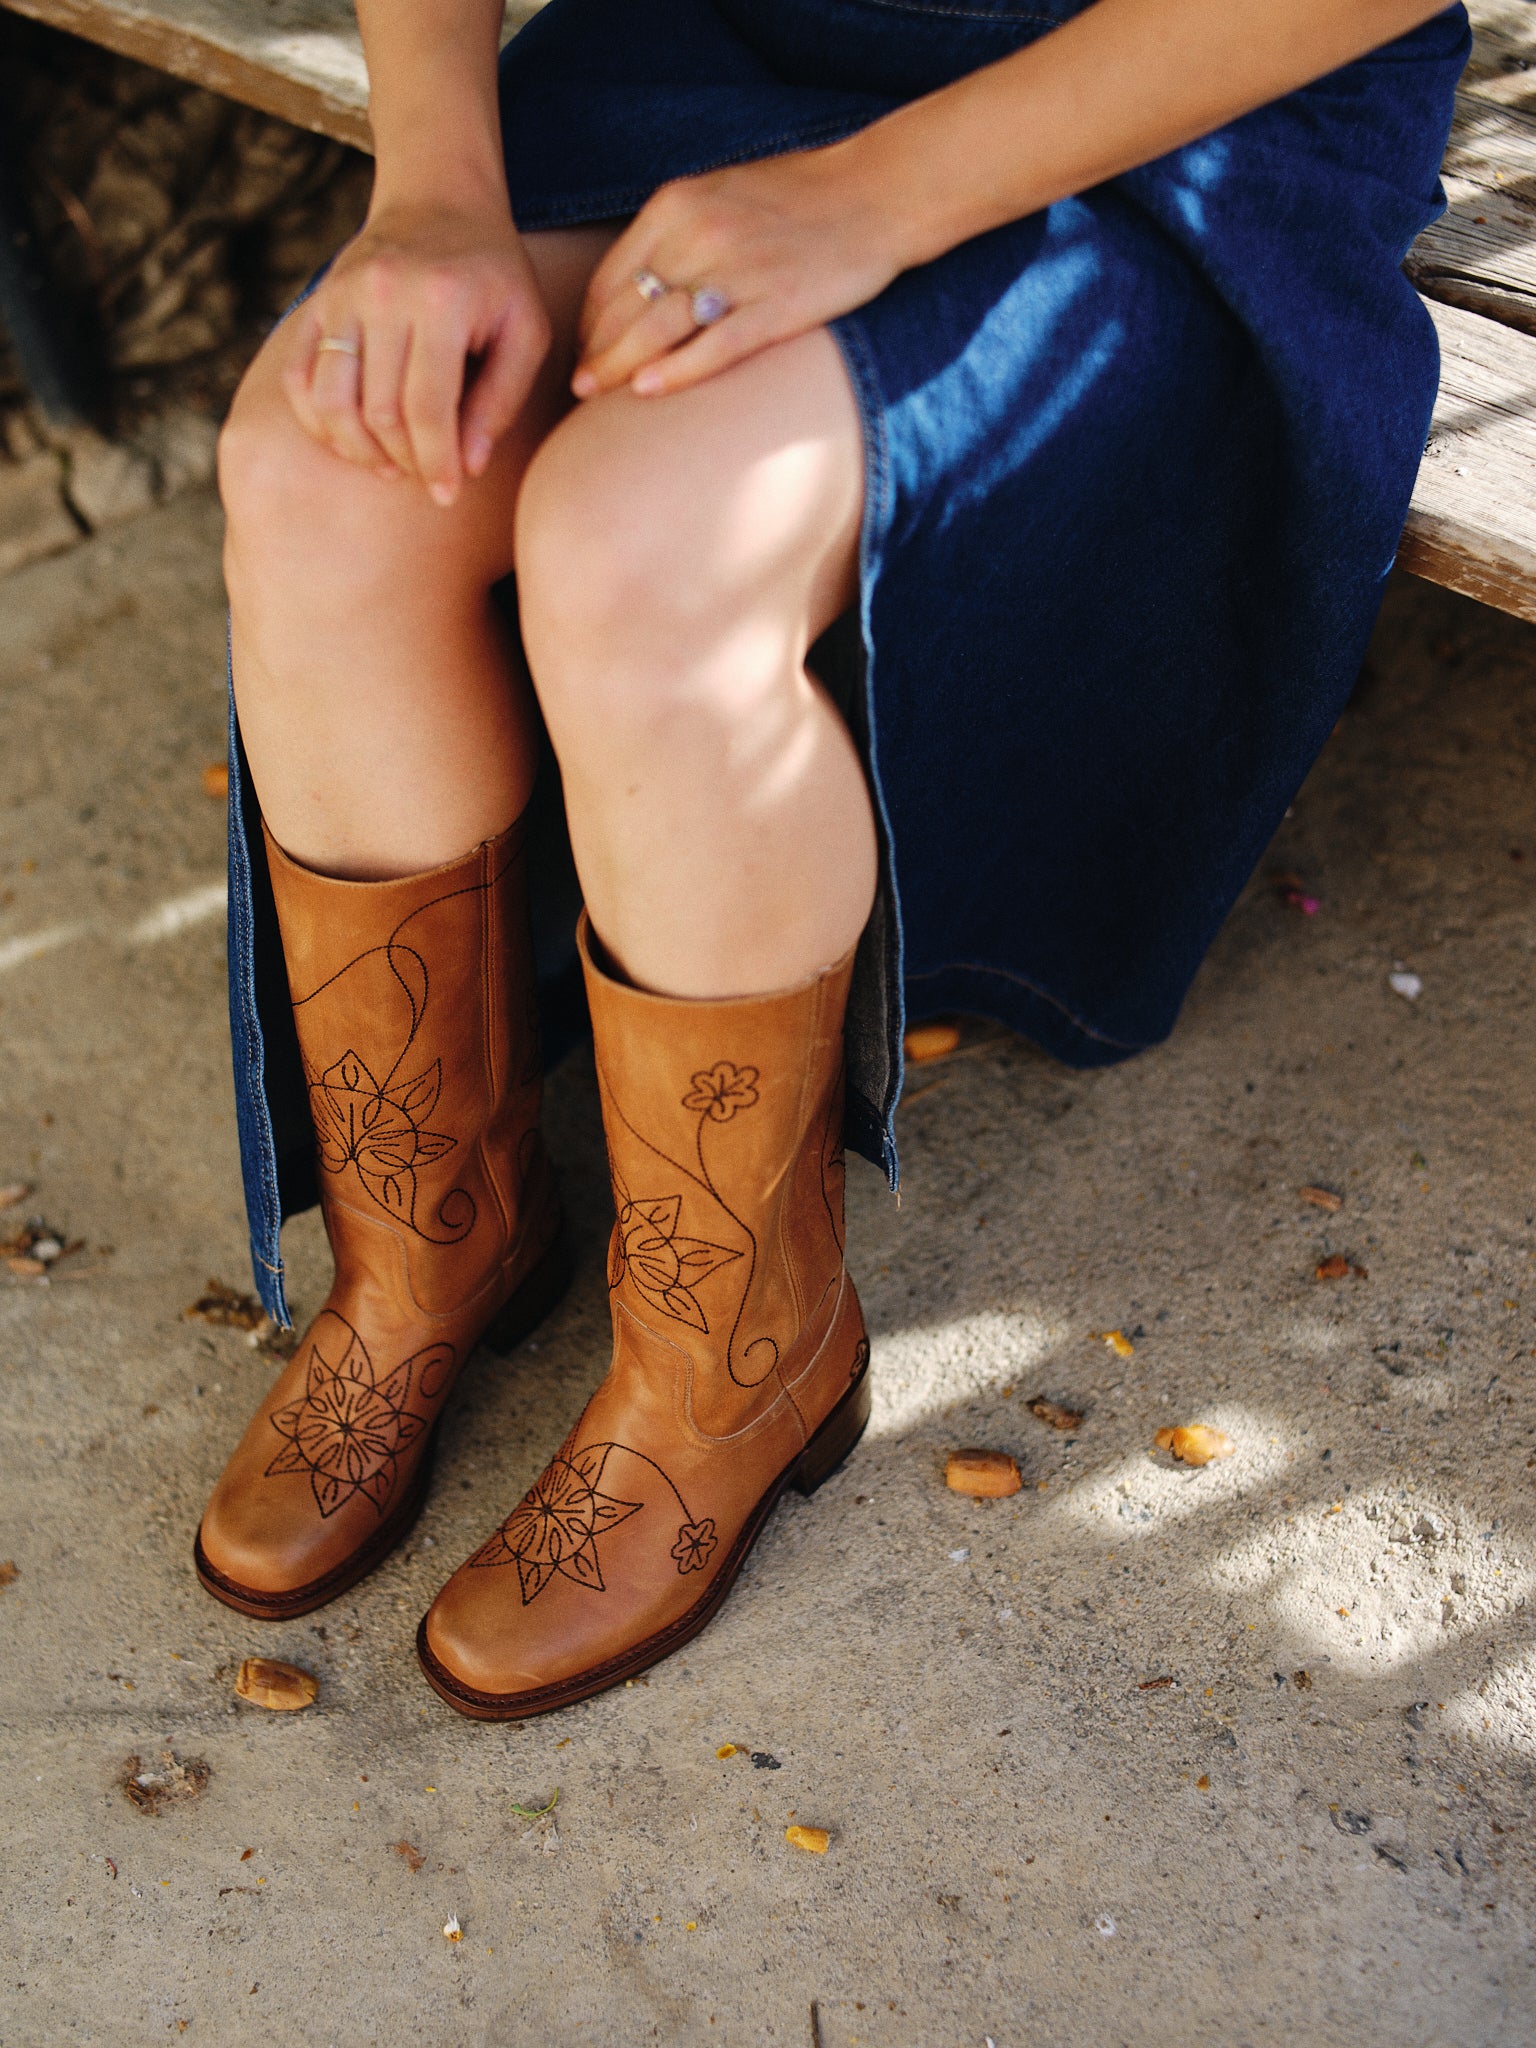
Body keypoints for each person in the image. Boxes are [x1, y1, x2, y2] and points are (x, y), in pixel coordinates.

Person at [193, 0, 1469, 1717]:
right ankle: (434, 1244)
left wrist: (873, 197)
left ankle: (732, 1364)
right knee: (319, 484)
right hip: (724, 46)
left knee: (642, 548)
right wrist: (433, 187)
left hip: (1173, 114)